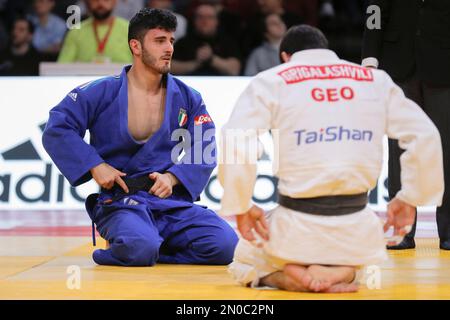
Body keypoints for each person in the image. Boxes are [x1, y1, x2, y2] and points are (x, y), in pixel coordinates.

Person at [218, 25, 444, 293]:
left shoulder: (272, 80)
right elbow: (425, 134)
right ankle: (345, 271)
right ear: (327, 51)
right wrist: (410, 197)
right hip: (356, 226)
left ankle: (283, 275)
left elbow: (235, 138)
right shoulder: (375, 80)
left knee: (243, 259)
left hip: (295, 227)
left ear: (285, 57)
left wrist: (241, 203)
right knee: (364, 259)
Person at [43, 8, 238, 267]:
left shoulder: (188, 96)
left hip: (169, 202)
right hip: (122, 202)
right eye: (159, 41)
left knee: (224, 245)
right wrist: (95, 165)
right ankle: (130, 245)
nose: (168, 48)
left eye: (171, 41)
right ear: (136, 46)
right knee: (139, 248)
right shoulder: (101, 91)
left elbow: (206, 144)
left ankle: (150, 246)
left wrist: (174, 176)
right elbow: (58, 127)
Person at [362, 0, 450, 250]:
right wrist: (370, 57)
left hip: (443, 63)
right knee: (398, 149)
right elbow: (375, 10)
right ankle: (402, 230)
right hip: (399, 63)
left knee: (447, 148)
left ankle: (448, 229)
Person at [171, 3, 241, 76]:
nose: (204, 21)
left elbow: (235, 70)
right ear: (194, 21)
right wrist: (196, 63)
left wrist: (211, 59)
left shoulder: (227, 42)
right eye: (200, 17)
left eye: (209, 17)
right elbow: (169, 67)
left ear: (217, 21)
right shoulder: (183, 42)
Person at [58, 0, 132, 63]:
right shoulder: (75, 31)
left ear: (115, 2)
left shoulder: (129, 29)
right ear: (88, 2)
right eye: (95, 0)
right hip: (84, 79)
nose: (100, 3)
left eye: (105, 0)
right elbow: (63, 66)